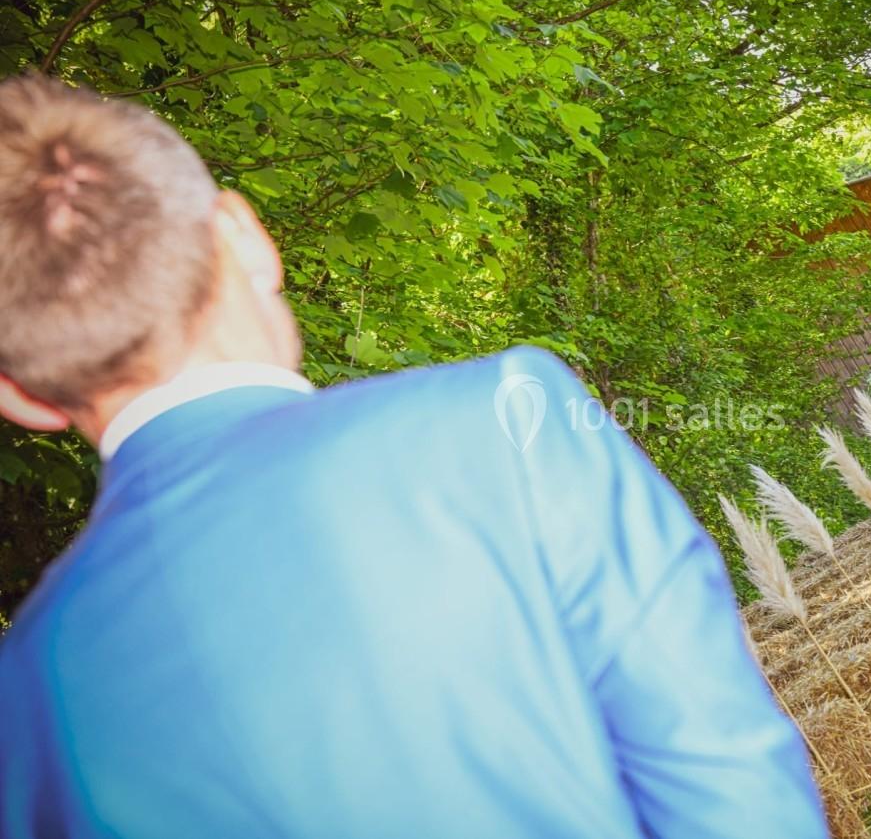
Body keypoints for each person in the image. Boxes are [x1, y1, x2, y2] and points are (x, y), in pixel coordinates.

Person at [0, 74, 827, 838]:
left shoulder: (25, 688)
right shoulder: (505, 421)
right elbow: (731, 788)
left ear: (17, 395)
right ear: (245, 236)